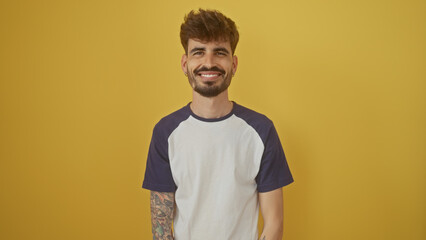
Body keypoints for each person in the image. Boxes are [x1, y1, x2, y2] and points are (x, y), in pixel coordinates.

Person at [142, 8, 294, 240]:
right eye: (199, 52)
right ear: (185, 63)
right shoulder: (165, 132)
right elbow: (160, 230)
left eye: (219, 52)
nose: (209, 62)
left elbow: (274, 224)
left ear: (233, 64)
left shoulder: (261, 131)